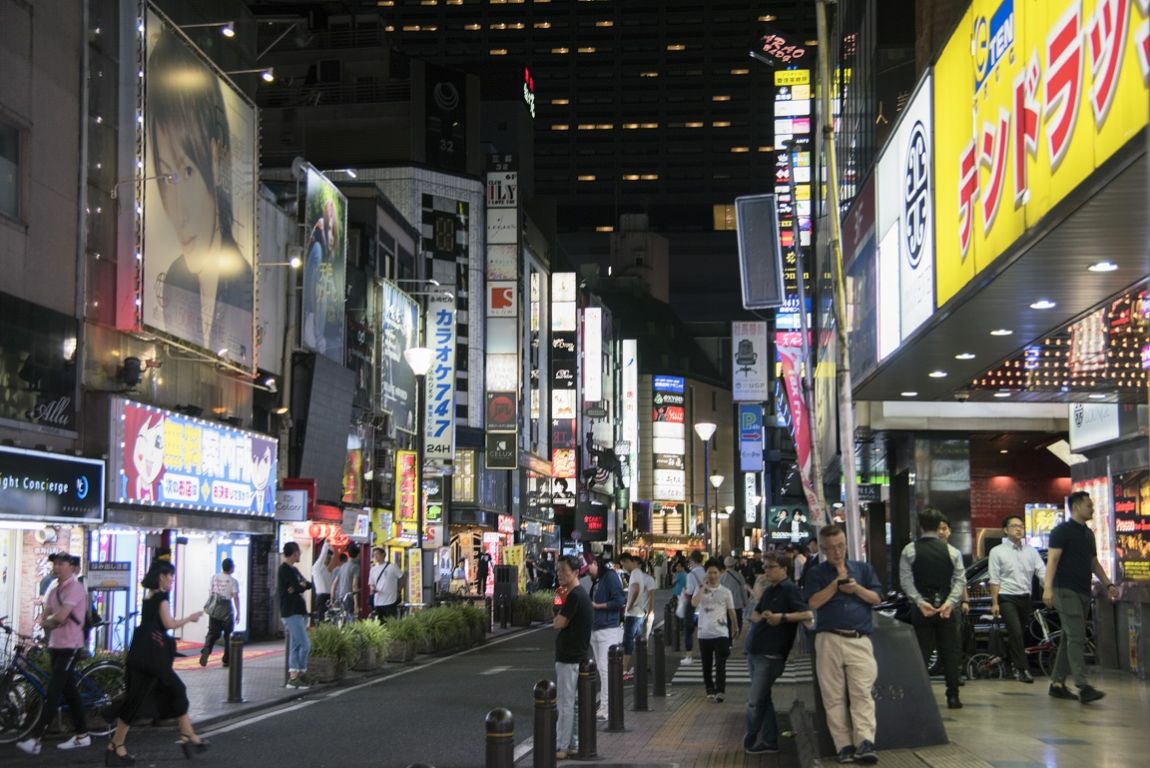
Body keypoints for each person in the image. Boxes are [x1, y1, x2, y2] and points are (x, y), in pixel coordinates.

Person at [147, 28, 253, 354]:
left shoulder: (244, 282)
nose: (177, 211)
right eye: (166, 179)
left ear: (216, 156)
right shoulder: (176, 277)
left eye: (188, 171)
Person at [105, 559, 208, 765]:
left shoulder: (149, 596)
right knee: (154, 694)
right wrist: (190, 618)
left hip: (143, 653)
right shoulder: (161, 597)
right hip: (152, 658)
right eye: (170, 576)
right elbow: (168, 624)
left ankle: (188, 735)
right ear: (162, 576)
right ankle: (117, 745)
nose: (172, 580)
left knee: (168, 691)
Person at [805, 524, 883, 765]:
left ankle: (865, 742)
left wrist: (856, 588)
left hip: (859, 639)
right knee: (833, 696)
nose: (836, 552)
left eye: (840, 546)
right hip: (828, 638)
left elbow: (877, 598)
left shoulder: (863, 569)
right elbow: (813, 603)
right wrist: (835, 584)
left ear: (847, 544)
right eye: (830, 548)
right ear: (823, 549)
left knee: (862, 693)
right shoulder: (816, 573)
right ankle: (844, 746)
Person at [1043, 491, 1119, 703]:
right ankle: (1082, 685)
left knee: (1070, 637)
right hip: (1064, 590)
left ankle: (1057, 684)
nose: (1092, 508)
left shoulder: (1088, 533)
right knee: (1077, 636)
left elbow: (1094, 563)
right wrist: (1047, 588)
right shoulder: (1061, 531)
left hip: (1083, 591)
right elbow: (1053, 561)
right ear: (1076, 506)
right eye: (1089, 505)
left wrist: (1108, 584)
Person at [16, 553, 92, 755]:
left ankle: (36, 739)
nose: (56, 567)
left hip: (71, 646)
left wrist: (48, 620)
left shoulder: (75, 588)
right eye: (55, 563)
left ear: (73, 567)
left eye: (61, 563)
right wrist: (48, 620)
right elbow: (44, 616)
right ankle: (83, 735)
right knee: (69, 691)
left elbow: (59, 618)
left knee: (53, 692)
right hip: (56, 645)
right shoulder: (54, 590)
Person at [744, 552, 812, 755]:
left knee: (754, 701)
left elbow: (807, 613)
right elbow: (755, 614)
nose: (766, 571)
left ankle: (751, 737)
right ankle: (770, 740)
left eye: (771, 567)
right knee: (763, 698)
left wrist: (781, 617)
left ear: (784, 569)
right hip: (756, 650)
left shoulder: (790, 590)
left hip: (771, 653)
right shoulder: (769, 590)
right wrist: (764, 614)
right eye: (765, 567)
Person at [898, 508, 966, 710]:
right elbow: (959, 580)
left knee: (922, 653)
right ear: (939, 527)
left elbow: (905, 580)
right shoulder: (952, 552)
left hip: (922, 610)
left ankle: (918, 696)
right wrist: (949, 603)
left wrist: (919, 601)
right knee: (950, 653)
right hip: (946, 609)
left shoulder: (909, 550)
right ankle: (953, 697)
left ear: (920, 526)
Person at [989, 514, 1046, 683]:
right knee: (1015, 632)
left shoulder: (1031, 551)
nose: (1019, 528)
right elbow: (994, 579)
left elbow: (1041, 572)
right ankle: (1023, 670)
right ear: (1005, 530)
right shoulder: (997, 551)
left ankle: (1007, 661)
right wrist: (994, 602)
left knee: (1019, 634)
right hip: (1007, 597)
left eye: (1021, 526)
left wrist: (1048, 588)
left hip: (1025, 598)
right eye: (1014, 526)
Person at [553, 555, 592, 761]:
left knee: (565, 704)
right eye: (558, 570)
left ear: (576, 573)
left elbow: (559, 623)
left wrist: (558, 614)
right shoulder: (579, 594)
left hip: (570, 657)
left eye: (564, 571)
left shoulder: (575, 596)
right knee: (571, 703)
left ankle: (562, 745)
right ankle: (572, 743)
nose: (560, 574)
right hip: (575, 655)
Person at [691, 558, 739, 702]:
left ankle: (720, 690)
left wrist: (736, 627)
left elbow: (732, 611)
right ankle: (709, 688)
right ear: (706, 574)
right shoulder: (700, 588)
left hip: (721, 633)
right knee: (706, 664)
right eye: (709, 573)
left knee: (720, 663)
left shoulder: (726, 592)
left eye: (715, 572)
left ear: (721, 573)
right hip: (704, 633)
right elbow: (694, 603)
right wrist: (703, 587)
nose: (712, 575)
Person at [587, 555, 626, 719]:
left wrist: (598, 606)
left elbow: (619, 601)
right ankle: (605, 705)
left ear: (595, 563)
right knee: (602, 669)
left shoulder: (610, 577)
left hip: (608, 629)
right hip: (596, 628)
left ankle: (607, 707)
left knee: (605, 670)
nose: (586, 571)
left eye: (588, 567)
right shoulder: (597, 580)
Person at [277, 542, 313, 688]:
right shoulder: (284, 570)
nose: (300, 555)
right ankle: (300, 673)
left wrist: (299, 586)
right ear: (294, 553)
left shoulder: (295, 570)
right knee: (305, 645)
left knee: (296, 645)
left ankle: (294, 677)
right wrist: (299, 586)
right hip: (291, 612)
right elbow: (299, 586)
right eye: (299, 552)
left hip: (299, 611)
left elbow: (307, 585)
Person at [199, 557, 240, 667]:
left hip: (215, 607)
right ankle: (226, 659)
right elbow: (235, 597)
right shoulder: (233, 581)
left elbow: (211, 591)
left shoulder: (214, 577)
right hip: (226, 608)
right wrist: (238, 613)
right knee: (228, 635)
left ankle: (207, 650)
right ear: (231, 568)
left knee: (212, 632)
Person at [620, 554, 655, 679]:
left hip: (635, 613)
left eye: (624, 564)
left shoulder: (636, 574)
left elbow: (637, 590)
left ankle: (624, 669)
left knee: (628, 640)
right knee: (639, 640)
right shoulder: (639, 573)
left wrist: (630, 605)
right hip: (639, 613)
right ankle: (640, 665)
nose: (624, 567)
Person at [681, 550, 706, 663]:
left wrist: (684, 594)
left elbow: (690, 592)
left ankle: (689, 656)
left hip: (694, 606)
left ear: (692, 560)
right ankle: (708, 655)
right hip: (706, 606)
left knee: (689, 631)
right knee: (705, 632)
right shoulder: (707, 572)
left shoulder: (691, 574)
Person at [369, 547, 404, 621]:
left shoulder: (392, 567)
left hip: (390, 600)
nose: (375, 556)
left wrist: (399, 590)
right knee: (380, 624)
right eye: (374, 555)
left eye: (377, 554)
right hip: (378, 601)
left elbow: (402, 578)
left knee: (391, 622)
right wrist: (373, 589)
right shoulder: (373, 569)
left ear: (383, 555)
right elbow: (371, 584)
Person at [722, 555, 750, 634]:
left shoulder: (722, 577)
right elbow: (743, 590)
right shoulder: (739, 576)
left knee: (727, 623)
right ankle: (737, 634)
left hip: (726, 605)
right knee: (738, 621)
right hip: (737, 603)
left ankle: (729, 640)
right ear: (734, 565)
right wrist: (745, 602)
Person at [311, 539, 335, 625]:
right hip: (322, 597)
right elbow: (323, 555)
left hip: (327, 596)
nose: (328, 559)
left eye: (329, 558)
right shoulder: (317, 567)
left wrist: (332, 551)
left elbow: (332, 557)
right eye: (327, 557)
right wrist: (326, 544)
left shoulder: (325, 569)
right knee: (323, 619)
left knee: (328, 619)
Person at [335, 543, 361, 618]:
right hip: (349, 597)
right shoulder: (355, 567)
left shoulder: (342, 566)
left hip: (341, 596)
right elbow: (354, 585)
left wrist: (333, 598)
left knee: (343, 619)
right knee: (350, 620)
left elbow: (335, 583)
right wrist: (356, 604)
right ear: (358, 554)